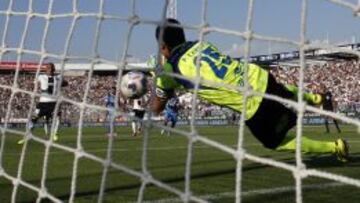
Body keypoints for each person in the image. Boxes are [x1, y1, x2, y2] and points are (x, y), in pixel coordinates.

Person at [151, 18, 349, 162]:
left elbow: (156, 108)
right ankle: (314, 97)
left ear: (163, 47)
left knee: (275, 142)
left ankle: (336, 148)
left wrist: (154, 82)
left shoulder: (170, 71)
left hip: (250, 102)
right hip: (256, 75)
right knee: (282, 90)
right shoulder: (202, 45)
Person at [18, 63, 68, 144]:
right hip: (43, 103)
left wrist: (60, 84)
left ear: (54, 69)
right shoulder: (41, 76)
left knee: (58, 118)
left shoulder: (58, 77)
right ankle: (28, 135)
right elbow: (33, 83)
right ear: (45, 69)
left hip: (54, 103)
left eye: (51, 68)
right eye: (48, 68)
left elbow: (66, 83)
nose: (49, 69)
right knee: (33, 119)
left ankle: (54, 133)